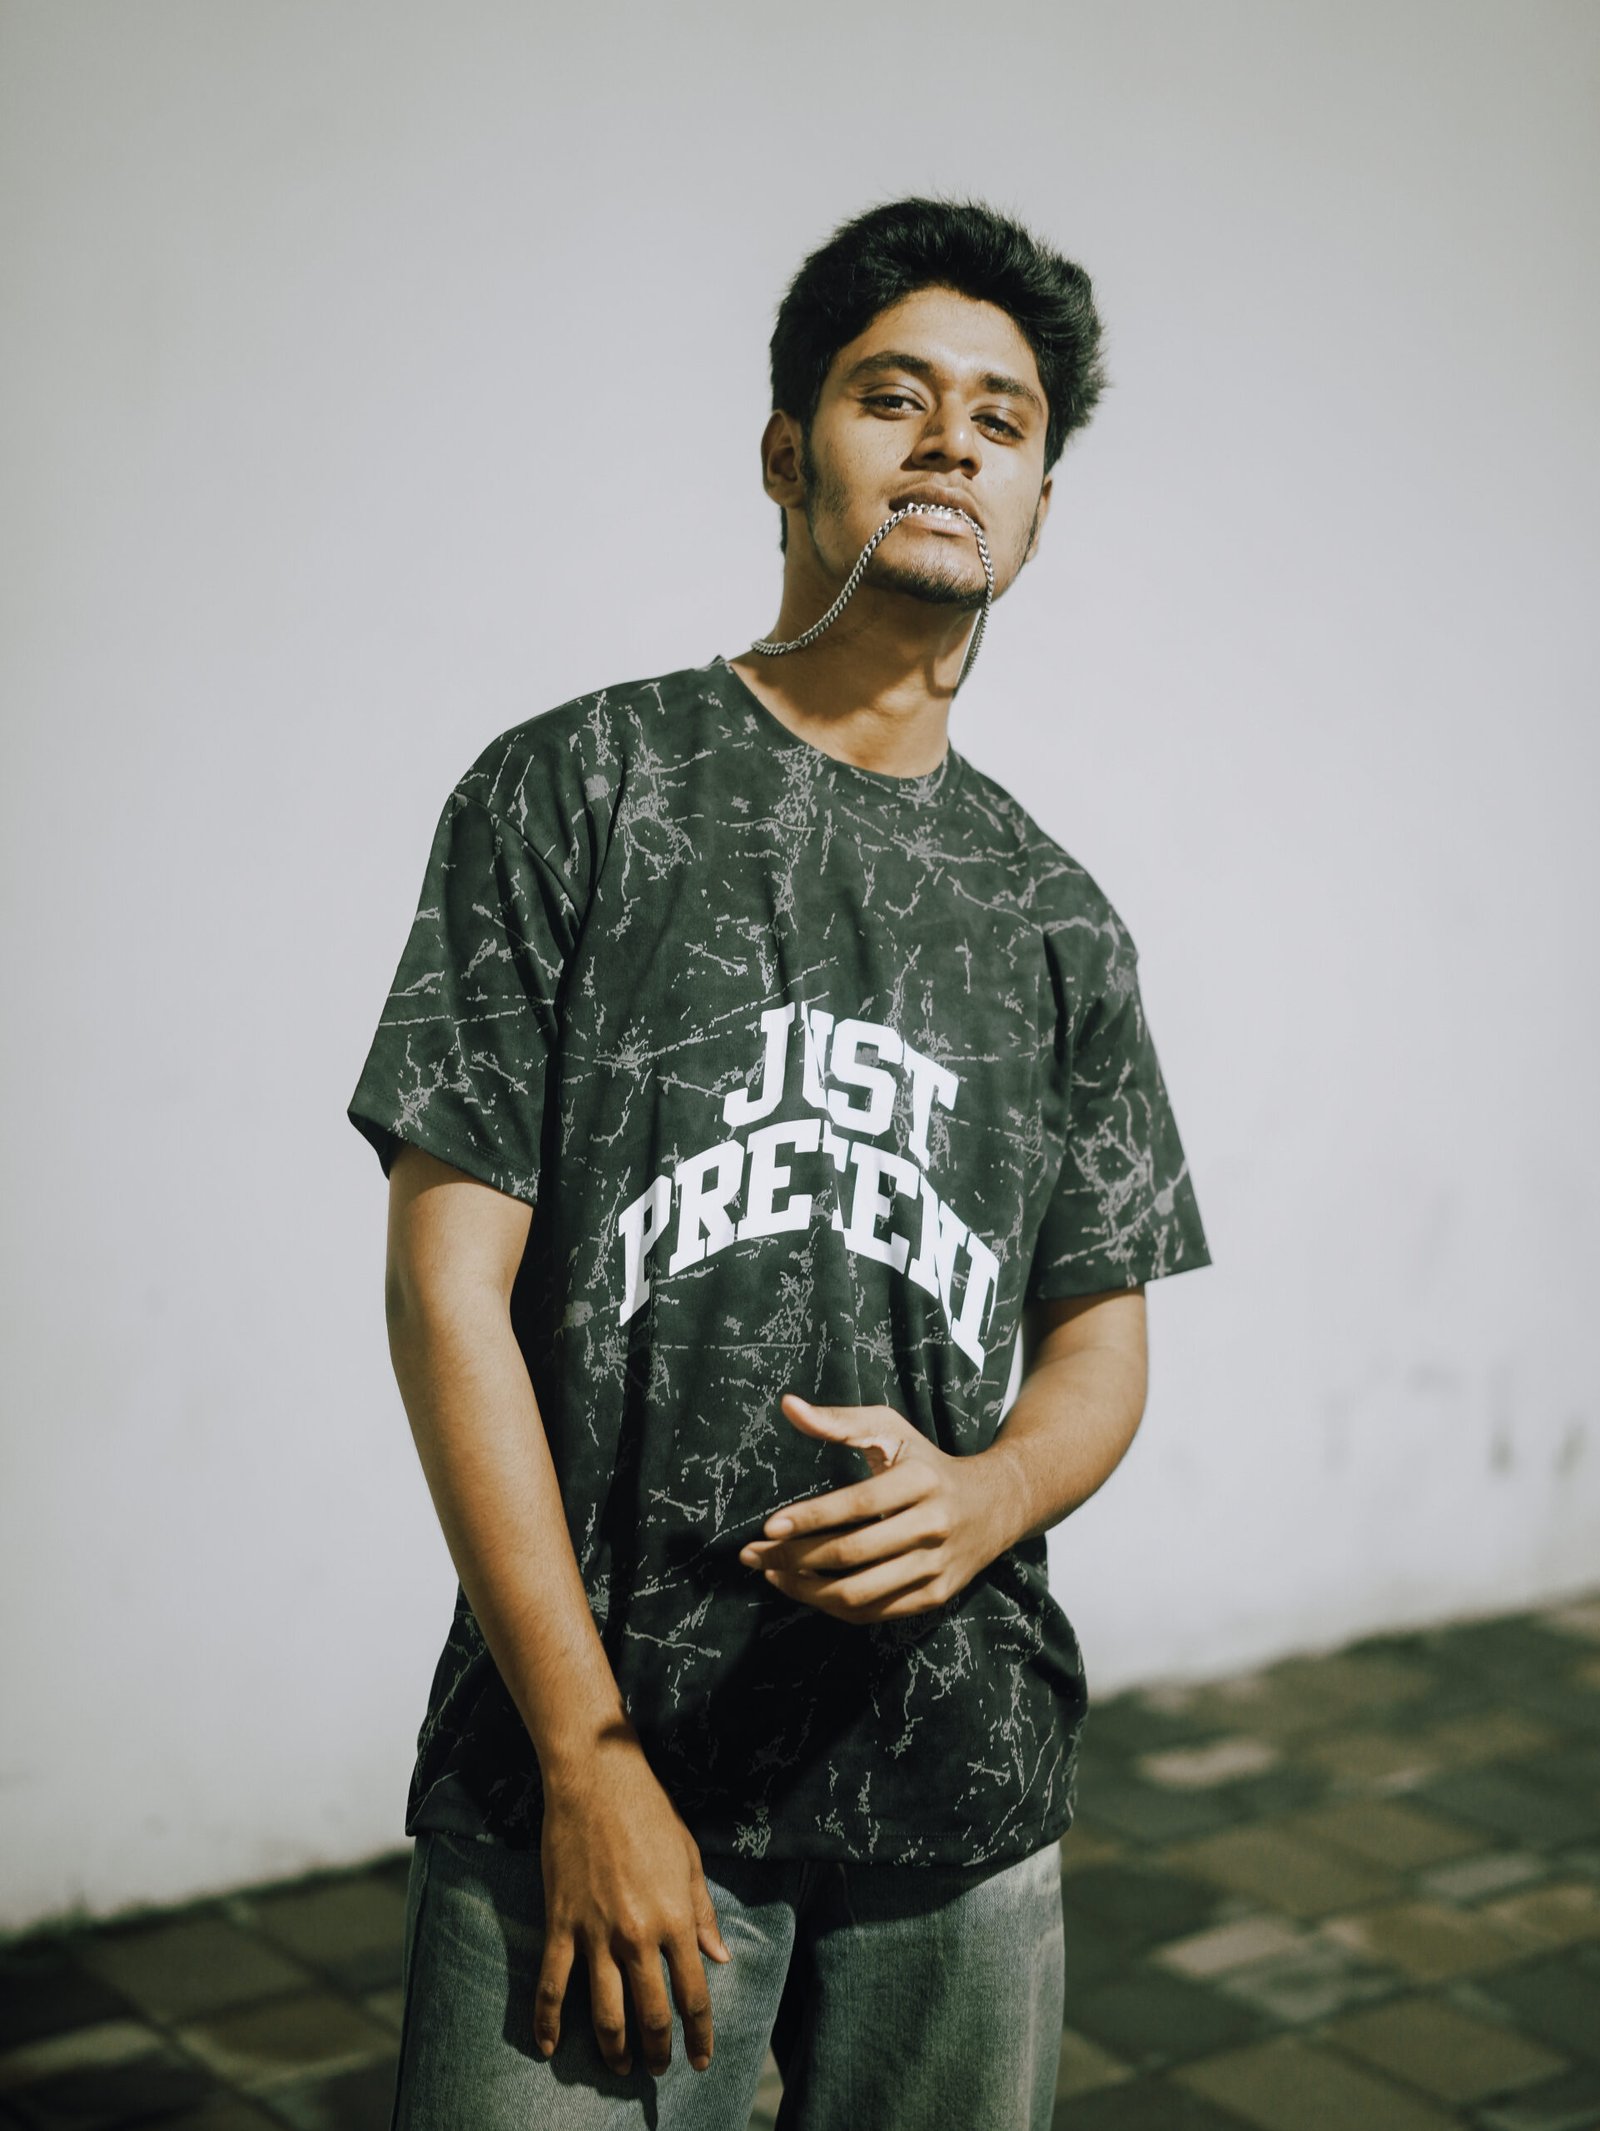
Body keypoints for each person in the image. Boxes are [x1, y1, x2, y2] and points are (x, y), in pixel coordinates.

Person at [349, 195, 1212, 2131]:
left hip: (956, 1788)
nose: (949, 442)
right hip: (593, 1774)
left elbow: (1101, 1338)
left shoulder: (1056, 916)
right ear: (781, 453)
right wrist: (587, 1762)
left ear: (1038, 505)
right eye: (891, 397)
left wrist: (990, 1494)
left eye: (1000, 420)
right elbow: (442, 1292)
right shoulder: (578, 791)